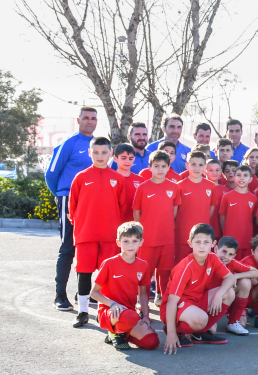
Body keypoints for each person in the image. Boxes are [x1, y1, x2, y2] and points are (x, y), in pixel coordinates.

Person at [67, 135, 129, 327]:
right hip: (86, 236)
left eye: (104, 152)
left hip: (110, 237)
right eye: (96, 152)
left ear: (111, 153)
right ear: (89, 153)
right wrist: (82, 226)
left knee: (109, 278)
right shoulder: (81, 177)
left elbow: (122, 207)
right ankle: (83, 311)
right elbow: (72, 207)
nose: (100, 156)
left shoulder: (118, 179)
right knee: (84, 274)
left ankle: (109, 312)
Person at [46, 106, 99, 310]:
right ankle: (60, 295)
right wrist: (61, 196)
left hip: (92, 201)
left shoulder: (97, 145)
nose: (89, 121)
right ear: (78, 120)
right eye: (86, 118)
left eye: (93, 118)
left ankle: (83, 293)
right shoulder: (68, 144)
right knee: (68, 246)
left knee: (88, 248)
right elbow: (51, 174)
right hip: (69, 198)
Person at [163, 224, 236, 352]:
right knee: (201, 319)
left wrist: (219, 295)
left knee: (229, 293)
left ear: (213, 244)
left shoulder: (212, 258)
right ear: (190, 243)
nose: (202, 246)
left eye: (206, 242)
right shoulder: (185, 267)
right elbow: (171, 301)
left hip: (197, 300)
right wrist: (171, 334)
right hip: (178, 303)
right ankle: (176, 330)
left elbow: (230, 278)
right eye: (198, 242)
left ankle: (199, 333)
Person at [90, 222, 160, 350]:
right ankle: (114, 332)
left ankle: (124, 333)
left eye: (134, 241)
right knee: (130, 316)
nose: (130, 245)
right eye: (126, 241)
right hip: (110, 310)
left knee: (152, 342)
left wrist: (145, 316)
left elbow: (143, 293)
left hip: (129, 313)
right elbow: (94, 293)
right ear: (118, 242)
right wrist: (113, 304)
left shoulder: (143, 265)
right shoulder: (109, 263)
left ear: (141, 242)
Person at [132, 150, 182, 304]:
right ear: (150, 168)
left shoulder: (174, 188)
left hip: (166, 238)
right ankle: (142, 302)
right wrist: (141, 233)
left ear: (168, 168)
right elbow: (136, 212)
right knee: (145, 272)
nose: (160, 169)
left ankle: (164, 300)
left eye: (163, 166)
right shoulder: (143, 187)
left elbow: (174, 210)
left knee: (166, 271)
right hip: (148, 239)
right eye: (156, 166)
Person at [175, 151, 218, 264]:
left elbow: (211, 209)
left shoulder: (211, 186)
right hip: (183, 235)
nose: (196, 168)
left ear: (205, 167)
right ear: (187, 165)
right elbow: (174, 212)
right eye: (193, 164)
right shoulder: (179, 186)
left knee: (201, 265)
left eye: (200, 165)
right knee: (181, 264)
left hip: (203, 236)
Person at [212, 237, 258, 336]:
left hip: (225, 296)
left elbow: (257, 272)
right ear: (216, 249)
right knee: (211, 331)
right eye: (224, 251)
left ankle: (233, 322)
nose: (226, 256)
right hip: (209, 298)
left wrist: (235, 276)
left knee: (245, 282)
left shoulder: (232, 263)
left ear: (234, 256)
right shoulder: (208, 260)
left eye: (230, 254)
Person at [219, 165, 258, 259]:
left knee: (243, 266)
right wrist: (226, 233)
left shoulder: (253, 199)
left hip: (246, 239)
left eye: (245, 175)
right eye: (239, 175)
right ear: (234, 177)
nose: (242, 178)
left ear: (250, 179)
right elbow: (222, 217)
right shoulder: (227, 197)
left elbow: (252, 218)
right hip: (230, 239)